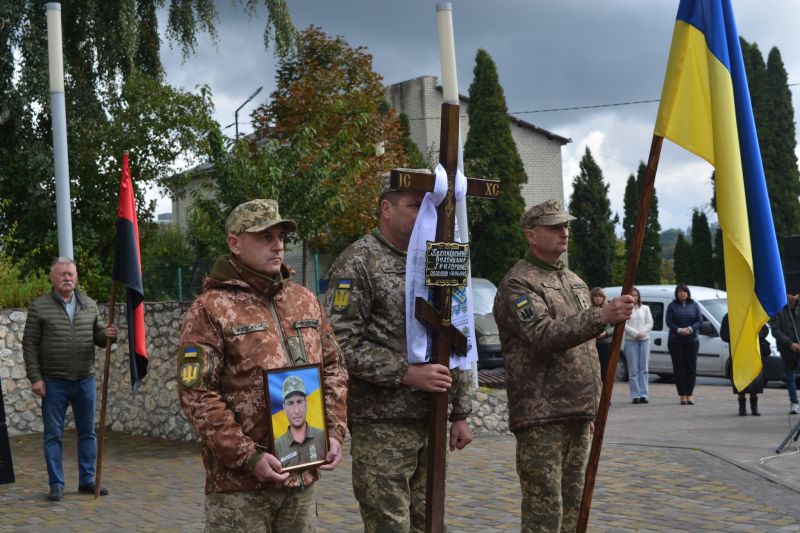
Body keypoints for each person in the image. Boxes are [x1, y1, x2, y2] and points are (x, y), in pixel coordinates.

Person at [177, 199, 348, 532]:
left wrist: (335, 431)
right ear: (234, 243)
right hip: (241, 489)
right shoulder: (210, 308)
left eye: (281, 236)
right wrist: (248, 457)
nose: (278, 245)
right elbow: (196, 394)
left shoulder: (303, 299)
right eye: (264, 237)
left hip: (301, 475)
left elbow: (334, 366)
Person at [323, 171, 473, 533]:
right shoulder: (358, 261)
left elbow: (457, 332)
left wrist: (461, 410)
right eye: (412, 206)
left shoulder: (436, 258)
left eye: (426, 205)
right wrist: (405, 372)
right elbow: (339, 342)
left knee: (429, 522)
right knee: (390, 525)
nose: (423, 213)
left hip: (431, 417)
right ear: (385, 209)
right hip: (382, 422)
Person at [493, 199, 634, 533]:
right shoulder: (519, 283)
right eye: (555, 227)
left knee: (573, 507)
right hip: (542, 414)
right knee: (545, 512)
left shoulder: (574, 281)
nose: (564, 232)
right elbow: (543, 335)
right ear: (531, 234)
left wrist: (594, 406)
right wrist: (602, 315)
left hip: (578, 411)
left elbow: (586, 349)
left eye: (566, 226)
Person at [22, 257, 118, 502]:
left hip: (85, 379)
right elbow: (30, 345)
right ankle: (56, 483)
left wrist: (106, 335)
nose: (67, 278)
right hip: (53, 381)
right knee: (53, 435)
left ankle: (87, 481)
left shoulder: (89, 304)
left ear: (76, 277)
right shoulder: (39, 307)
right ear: (52, 278)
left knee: (88, 433)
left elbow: (96, 336)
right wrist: (36, 378)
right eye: (62, 274)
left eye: (71, 274)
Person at [274, 375, 328, 468]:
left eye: (299, 402)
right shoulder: (277, 446)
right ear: (284, 407)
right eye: (290, 403)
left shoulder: (323, 437)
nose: (296, 410)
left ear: (306, 403)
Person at [720, 314, 769, 416]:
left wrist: (754, 335)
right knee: (740, 379)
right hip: (738, 351)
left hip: (753, 351)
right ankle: (742, 407)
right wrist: (738, 336)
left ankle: (754, 407)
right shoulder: (730, 315)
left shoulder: (754, 313)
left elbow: (765, 330)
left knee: (754, 379)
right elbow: (724, 334)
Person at [665, 284, 702, 405]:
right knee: (679, 368)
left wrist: (691, 329)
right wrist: (679, 330)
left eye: (684, 291)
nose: (682, 293)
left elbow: (699, 321)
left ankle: (690, 394)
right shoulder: (672, 306)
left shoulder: (694, 305)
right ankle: (682, 395)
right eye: (680, 292)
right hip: (676, 341)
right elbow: (669, 321)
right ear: (676, 294)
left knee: (691, 368)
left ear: (688, 293)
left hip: (692, 341)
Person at [769, 291, 800, 415]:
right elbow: (775, 330)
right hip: (788, 349)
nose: (791, 297)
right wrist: (790, 343)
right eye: (789, 294)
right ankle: (795, 403)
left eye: (794, 294)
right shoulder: (779, 309)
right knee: (790, 377)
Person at [624, 287, 653, 404]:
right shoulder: (625, 310)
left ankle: (644, 394)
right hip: (631, 341)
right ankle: (635, 395)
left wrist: (642, 333)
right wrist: (635, 333)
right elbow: (624, 325)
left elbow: (650, 322)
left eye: (636, 295)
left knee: (644, 369)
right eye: (632, 295)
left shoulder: (645, 308)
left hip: (644, 340)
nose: (634, 297)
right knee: (633, 370)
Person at [590, 287, 615, 383]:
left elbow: (616, 327)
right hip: (592, 345)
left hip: (605, 344)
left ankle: (603, 396)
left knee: (604, 371)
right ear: (592, 297)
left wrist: (606, 333)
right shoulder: (588, 310)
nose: (598, 298)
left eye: (600, 296)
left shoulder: (608, 309)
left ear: (603, 297)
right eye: (595, 296)